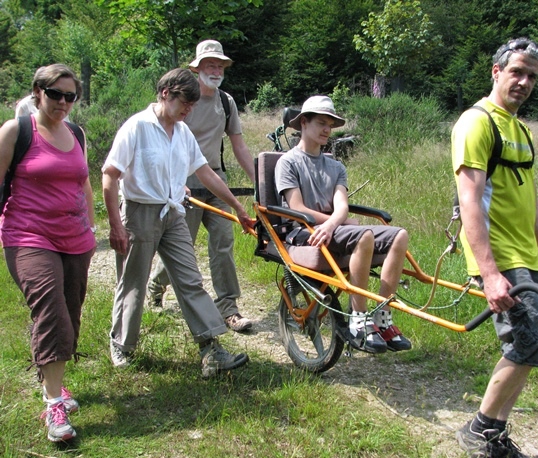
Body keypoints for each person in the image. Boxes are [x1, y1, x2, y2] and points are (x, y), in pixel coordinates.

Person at [452, 38, 538, 458]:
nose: (524, 82)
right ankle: (479, 432)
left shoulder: (520, 130)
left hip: (527, 255)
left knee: (533, 345)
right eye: (517, 72)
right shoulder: (477, 123)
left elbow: (531, 203)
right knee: (524, 343)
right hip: (499, 255)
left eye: (532, 76)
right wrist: (489, 273)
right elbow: (469, 200)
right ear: (496, 71)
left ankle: (494, 433)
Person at [102, 68, 253, 376]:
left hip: (173, 214)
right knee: (133, 283)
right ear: (166, 93)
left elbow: (206, 172)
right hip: (139, 213)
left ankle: (211, 349)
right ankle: (122, 344)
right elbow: (109, 176)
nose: (189, 109)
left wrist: (236, 205)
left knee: (190, 280)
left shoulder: (182, 132)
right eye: (185, 102)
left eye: (194, 104)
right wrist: (116, 225)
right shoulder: (137, 127)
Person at [0, 64, 95, 442]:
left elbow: (83, 180)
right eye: (55, 93)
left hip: (75, 238)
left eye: (70, 96)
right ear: (38, 92)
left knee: (69, 315)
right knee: (52, 312)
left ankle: (54, 379)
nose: (63, 102)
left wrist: (91, 224)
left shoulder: (76, 132)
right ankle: (53, 402)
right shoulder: (16, 130)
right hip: (27, 235)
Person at [274, 95, 411, 354]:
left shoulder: (336, 166)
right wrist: (339, 222)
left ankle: (382, 315)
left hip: (331, 229)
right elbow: (297, 209)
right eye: (321, 123)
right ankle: (358, 320)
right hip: (301, 230)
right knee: (365, 236)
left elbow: (342, 206)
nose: (327, 129)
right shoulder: (288, 162)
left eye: (331, 125)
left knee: (399, 235)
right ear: (303, 122)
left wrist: (336, 223)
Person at [147, 40, 255, 333]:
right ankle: (155, 287)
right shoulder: (184, 100)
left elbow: (239, 146)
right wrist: (174, 182)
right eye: (211, 64)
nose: (216, 70)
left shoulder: (226, 102)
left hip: (215, 180)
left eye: (220, 65)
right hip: (184, 185)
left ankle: (228, 309)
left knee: (223, 245)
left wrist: (260, 179)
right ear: (197, 68)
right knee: (183, 246)